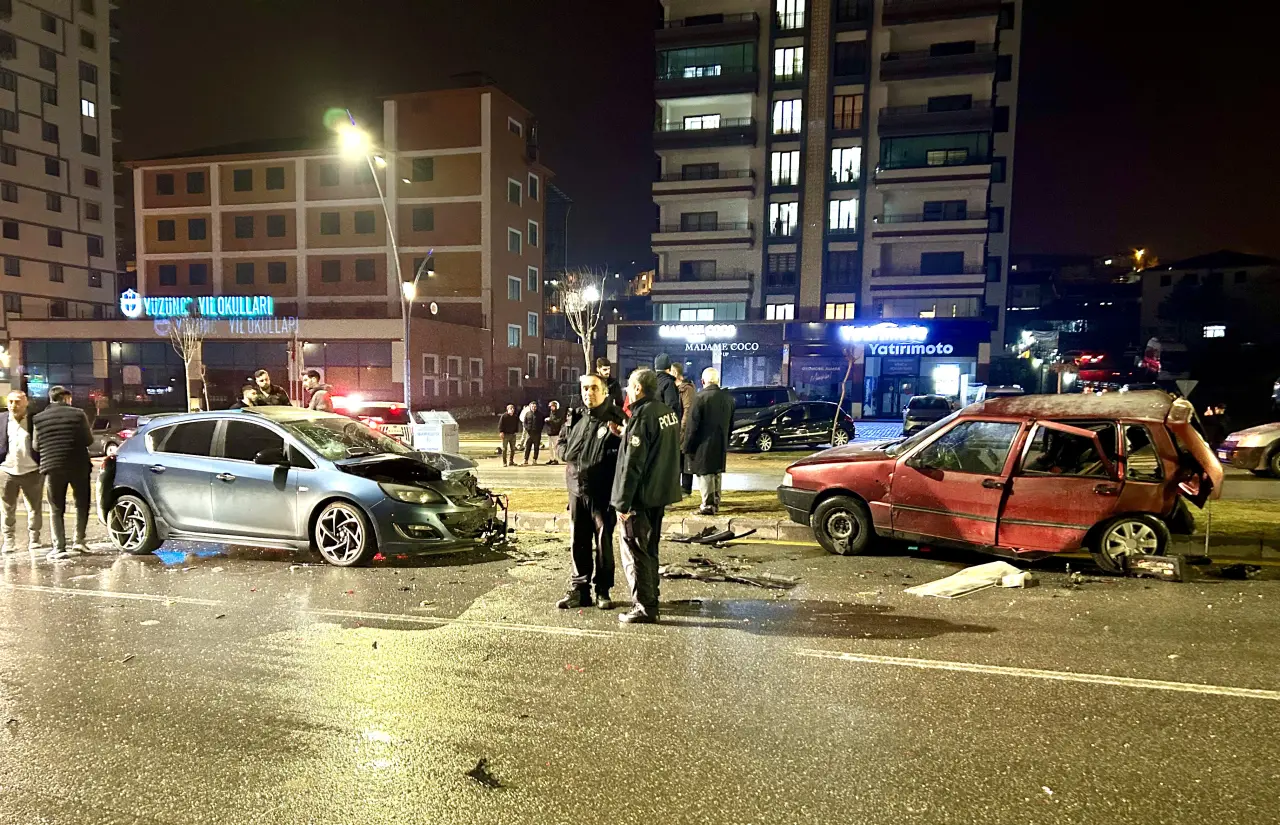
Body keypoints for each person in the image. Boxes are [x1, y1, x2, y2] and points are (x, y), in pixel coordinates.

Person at [611, 367, 682, 624]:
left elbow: (633, 463)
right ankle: (652, 597)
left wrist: (623, 502)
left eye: (629, 386)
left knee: (636, 550)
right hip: (658, 494)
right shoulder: (666, 413)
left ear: (638, 388)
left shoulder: (642, 416)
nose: (627, 391)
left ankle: (644, 605)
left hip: (640, 498)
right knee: (650, 548)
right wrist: (625, 434)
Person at [557, 374, 625, 611]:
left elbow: (626, 455)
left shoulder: (616, 418)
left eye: (594, 388)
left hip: (602, 492)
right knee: (579, 541)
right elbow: (561, 443)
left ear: (604, 391)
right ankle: (580, 589)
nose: (588, 393)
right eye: (585, 388)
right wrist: (565, 454)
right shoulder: (576, 417)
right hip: (576, 489)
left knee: (603, 543)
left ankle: (603, 590)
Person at [32, 386, 92, 559]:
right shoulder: (78, 414)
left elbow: (36, 446)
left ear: (51, 398)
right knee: (81, 503)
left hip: (53, 467)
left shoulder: (38, 418)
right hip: (78, 465)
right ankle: (79, 541)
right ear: (66, 398)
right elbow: (88, 440)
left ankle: (59, 547)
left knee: (56, 507)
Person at [683, 367, 736, 516]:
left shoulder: (700, 398)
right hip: (720, 442)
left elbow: (692, 426)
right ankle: (715, 502)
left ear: (703, 381)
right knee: (716, 473)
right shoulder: (728, 399)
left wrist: (687, 446)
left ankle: (707, 505)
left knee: (705, 474)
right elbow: (731, 424)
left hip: (703, 444)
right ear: (718, 381)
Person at [0, 391, 43, 555]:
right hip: (7, 470)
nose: (13, 405)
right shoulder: (2, 419)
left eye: (17, 402)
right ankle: (9, 540)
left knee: (34, 508)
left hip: (32, 471)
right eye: (10, 401)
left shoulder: (35, 420)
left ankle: (34, 539)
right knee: (7, 509)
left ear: (26, 403)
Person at [672, 362, 697, 495]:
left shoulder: (686, 389)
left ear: (675, 373)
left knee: (685, 457)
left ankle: (686, 488)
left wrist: (682, 428)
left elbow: (688, 410)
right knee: (678, 458)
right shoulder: (676, 388)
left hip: (684, 429)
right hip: (679, 428)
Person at [653, 354, 683, 422]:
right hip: (664, 424)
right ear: (669, 369)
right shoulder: (669, 383)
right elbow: (671, 407)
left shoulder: (650, 382)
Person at [522, 400, 544, 465]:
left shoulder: (540, 414)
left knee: (536, 447)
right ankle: (525, 459)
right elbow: (525, 422)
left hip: (537, 434)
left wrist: (539, 430)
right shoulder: (527, 414)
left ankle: (535, 459)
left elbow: (542, 423)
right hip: (529, 433)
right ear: (530, 407)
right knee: (527, 447)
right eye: (532, 406)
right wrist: (527, 429)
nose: (534, 408)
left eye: (535, 406)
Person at [544, 400, 565, 466]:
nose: (551, 408)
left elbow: (558, 422)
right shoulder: (551, 413)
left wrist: (550, 420)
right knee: (550, 447)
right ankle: (552, 458)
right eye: (551, 406)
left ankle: (556, 459)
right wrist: (547, 421)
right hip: (550, 433)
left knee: (555, 447)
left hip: (555, 433)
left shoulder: (558, 414)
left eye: (553, 406)